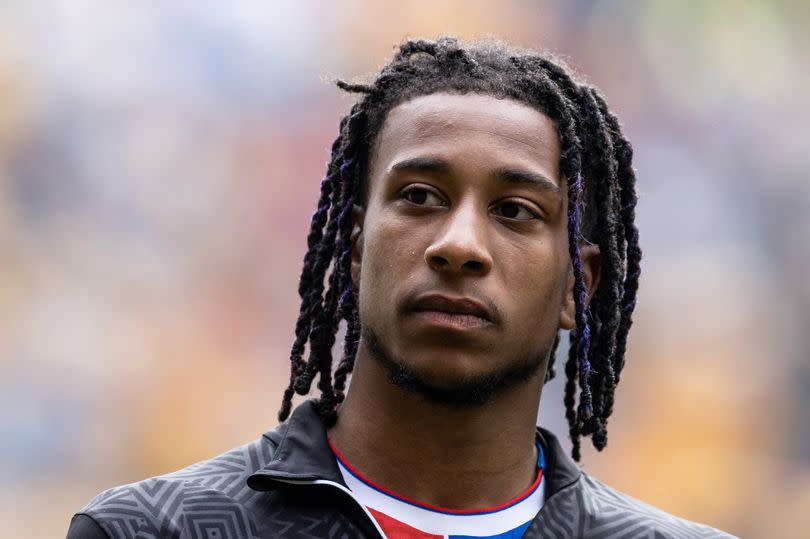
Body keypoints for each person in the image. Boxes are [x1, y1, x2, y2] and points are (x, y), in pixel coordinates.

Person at [67, 36, 734, 538]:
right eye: (420, 196)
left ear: (577, 290)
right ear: (355, 248)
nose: (459, 245)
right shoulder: (149, 530)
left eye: (514, 211)